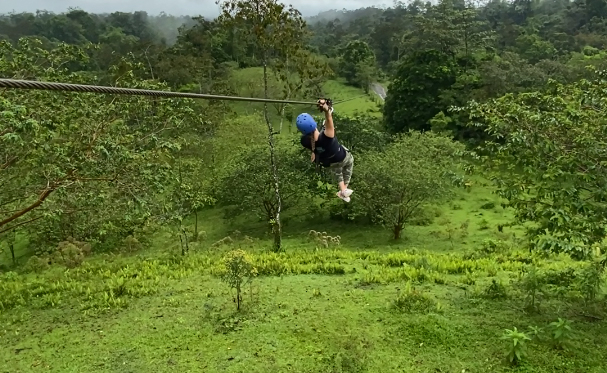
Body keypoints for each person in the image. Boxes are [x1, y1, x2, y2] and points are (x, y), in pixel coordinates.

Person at [296, 99, 354, 202]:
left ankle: (343, 190)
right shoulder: (327, 137)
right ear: (313, 122)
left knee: (338, 171)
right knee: (349, 163)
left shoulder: (304, 140)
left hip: (329, 162)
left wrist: (313, 152)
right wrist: (327, 110)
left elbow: (320, 132)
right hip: (342, 157)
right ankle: (344, 189)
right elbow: (329, 120)